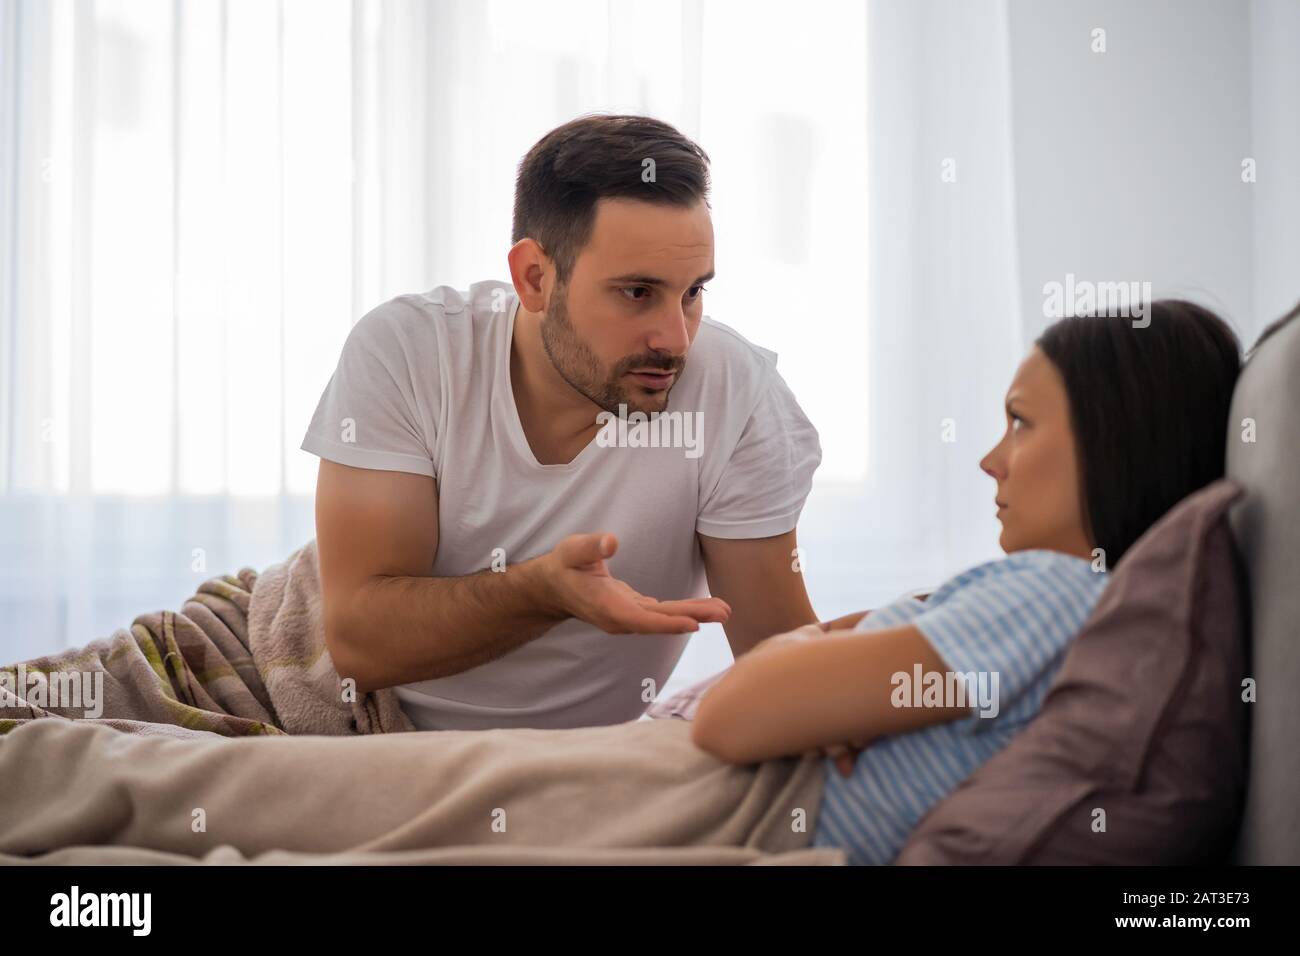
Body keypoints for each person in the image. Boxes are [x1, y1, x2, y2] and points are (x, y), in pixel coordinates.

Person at [302, 115, 823, 731]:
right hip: (298, 672)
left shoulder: (739, 397)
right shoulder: (409, 351)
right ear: (535, 278)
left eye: (692, 292)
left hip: (552, 767)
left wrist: (935, 637)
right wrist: (540, 593)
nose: (675, 339)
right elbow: (361, 646)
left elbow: (780, 660)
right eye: (637, 293)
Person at [692, 299, 1243, 863]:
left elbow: (728, 715)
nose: (990, 460)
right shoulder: (1087, 622)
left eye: (1021, 422)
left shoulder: (1055, 592)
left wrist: (825, 656)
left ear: (1121, 441)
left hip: (689, 796)